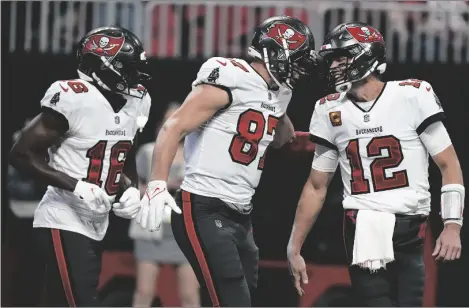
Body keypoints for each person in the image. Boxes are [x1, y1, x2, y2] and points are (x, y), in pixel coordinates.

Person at [136, 16, 321, 307]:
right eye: (296, 59)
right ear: (275, 52)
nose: (299, 68)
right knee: (232, 299)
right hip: (203, 205)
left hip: (241, 213)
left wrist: (280, 106)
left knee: (244, 297)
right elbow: (174, 127)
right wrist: (157, 182)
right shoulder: (229, 75)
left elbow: (280, 139)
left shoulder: (278, 91)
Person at [287, 22, 464, 306]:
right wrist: (294, 246)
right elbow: (317, 186)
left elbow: (449, 164)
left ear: (365, 55)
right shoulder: (329, 109)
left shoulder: (412, 95)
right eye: (331, 58)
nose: (333, 65)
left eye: (340, 56)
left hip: (410, 226)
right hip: (361, 224)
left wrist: (452, 224)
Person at [9, 26, 152, 306]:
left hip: (97, 222)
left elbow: (123, 154)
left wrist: (130, 189)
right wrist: (76, 187)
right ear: (99, 66)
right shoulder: (74, 97)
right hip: (62, 217)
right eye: (126, 67)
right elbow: (21, 154)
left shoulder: (139, 100)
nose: (134, 75)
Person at [130, 102, 200, 307]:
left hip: (184, 230)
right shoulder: (147, 151)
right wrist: (165, 185)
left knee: (189, 295)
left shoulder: (194, 154)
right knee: (144, 292)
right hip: (151, 228)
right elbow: (133, 188)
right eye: (168, 119)